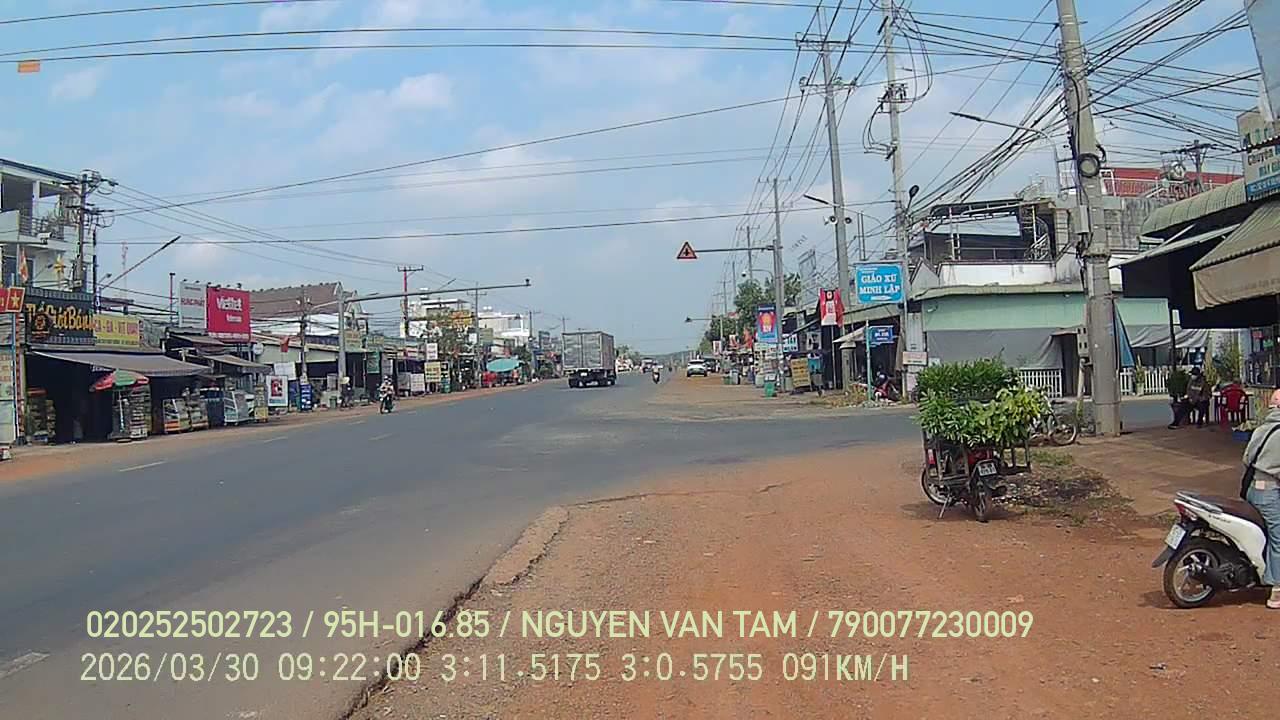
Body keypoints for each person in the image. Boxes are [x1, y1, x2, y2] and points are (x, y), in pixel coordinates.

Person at [1242, 388, 1280, 609]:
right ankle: (1276, 591)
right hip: (1269, 493)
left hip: (1252, 490)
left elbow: (1246, 459)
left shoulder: (1262, 428)